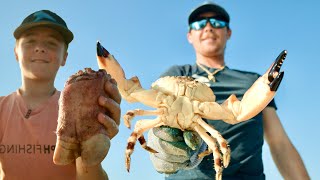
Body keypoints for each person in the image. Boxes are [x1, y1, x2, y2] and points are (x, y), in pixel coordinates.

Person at [147, 2, 310, 180]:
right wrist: (156, 143)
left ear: (228, 32)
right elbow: (158, 118)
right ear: (189, 36)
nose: (208, 27)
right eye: (199, 24)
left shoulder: (253, 82)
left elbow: (280, 144)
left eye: (217, 22)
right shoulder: (176, 76)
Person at [0, 10, 121, 179]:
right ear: (15, 52)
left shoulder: (81, 104)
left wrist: (92, 146)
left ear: (64, 57)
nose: (40, 48)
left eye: (51, 43)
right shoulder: (2, 109)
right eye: (30, 41)